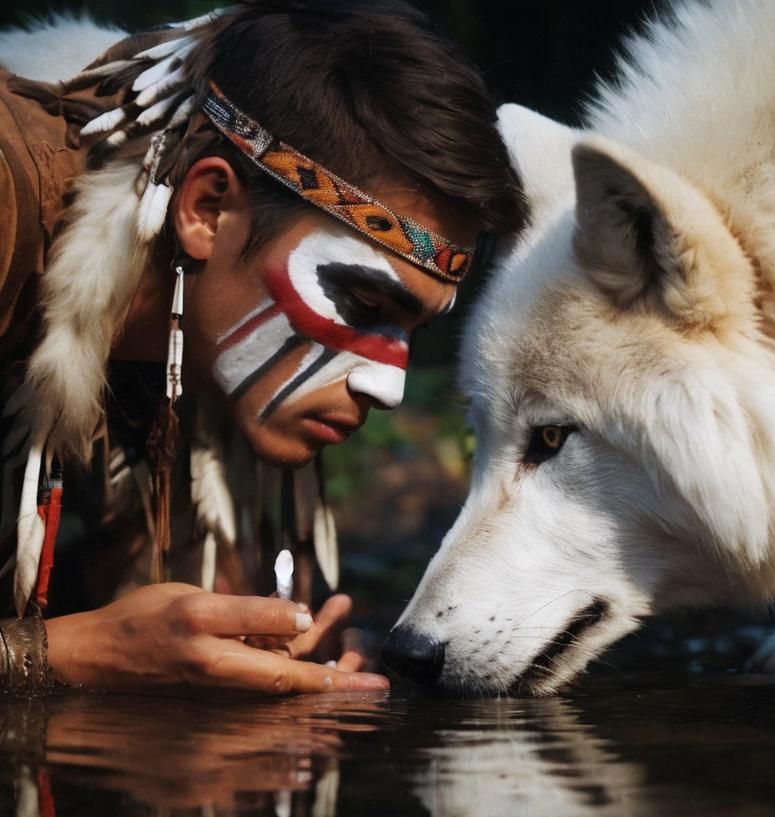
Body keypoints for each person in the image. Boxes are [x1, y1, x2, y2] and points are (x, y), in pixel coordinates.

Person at [0, 1, 525, 694]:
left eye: (411, 332)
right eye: (365, 305)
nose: (388, 387)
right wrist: (62, 656)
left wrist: (243, 653)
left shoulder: (207, 333)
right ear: (207, 209)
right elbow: (88, 646)